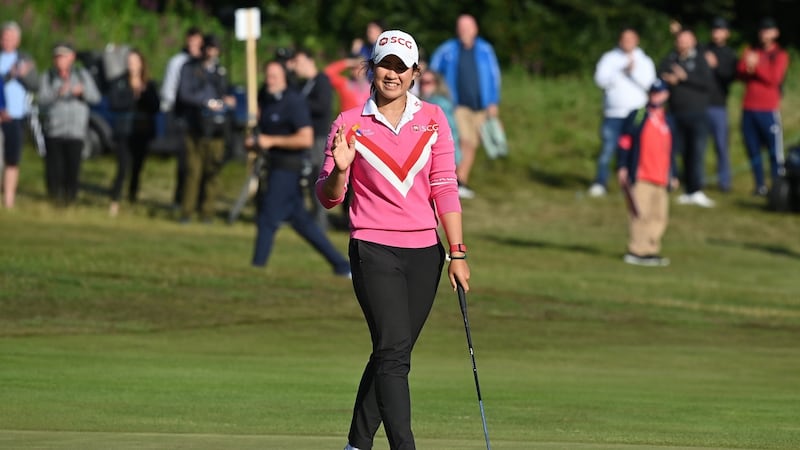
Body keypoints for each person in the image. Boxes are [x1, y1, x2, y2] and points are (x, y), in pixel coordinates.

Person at [316, 29, 470, 450]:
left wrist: (457, 252)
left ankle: (357, 444)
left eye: (402, 68)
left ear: (415, 73)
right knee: (393, 353)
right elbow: (329, 198)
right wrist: (341, 171)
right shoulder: (349, 123)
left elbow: (445, 187)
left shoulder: (434, 119)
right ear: (372, 67)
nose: (392, 74)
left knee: (392, 352)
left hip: (425, 253)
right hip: (372, 248)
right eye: (385, 64)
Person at [249, 60, 350, 275]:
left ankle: (256, 268)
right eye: (268, 75)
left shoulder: (293, 101)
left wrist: (271, 141)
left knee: (267, 217)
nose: (270, 80)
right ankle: (341, 265)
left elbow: (305, 138)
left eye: (275, 76)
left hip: (289, 168)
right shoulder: (266, 99)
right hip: (272, 166)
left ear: (285, 78)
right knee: (302, 221)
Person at [429, 14, 502, 199]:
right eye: (461, 28)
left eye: (467, 27)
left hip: (481, 106)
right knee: (463, 142)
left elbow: (495, 77)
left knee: (473, 145)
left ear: (475, 29)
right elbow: (433, 71)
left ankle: (461, 180)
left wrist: (494, 101)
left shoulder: (485, 50)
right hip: (457, 105)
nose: (464, 31)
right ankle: (454, 181)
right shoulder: (447, 50)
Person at [589, 27, 656, 198]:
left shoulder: (644, 61)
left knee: (634, 149)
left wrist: (633, 72)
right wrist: (620, 71)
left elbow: (651, 85)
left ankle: (632, 183)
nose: (627, 42)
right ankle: (600, 182)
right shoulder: (609, 59)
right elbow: (600, 80)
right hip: (613, 113)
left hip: (637, 112)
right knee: (608, 147)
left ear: (637, 40)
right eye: (624, 39)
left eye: (631, 39)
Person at [175, 34, 235, 223]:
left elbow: (224, 93)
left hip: (216, 127)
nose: (212, 53)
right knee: (193, 171)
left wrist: (226, 101)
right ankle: (187, 211)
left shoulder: (220, 72)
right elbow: (184, 94)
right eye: (209, 48)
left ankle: (207, 212)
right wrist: (204, 102)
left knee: (213, 170)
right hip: (195, 125)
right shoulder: (190, 68)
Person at [617, 78, 673, 267]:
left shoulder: (668, 119)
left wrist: (673, 174)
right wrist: (623, 166)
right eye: (653, 92)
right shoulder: (638, 115)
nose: (656, 96)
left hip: (661, 175)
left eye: (659, 93)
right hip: (642, 174)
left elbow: (671, 150)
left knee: (659, 216)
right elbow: (625, 141)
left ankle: (651, 249)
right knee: (640, 213)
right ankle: (637, 249)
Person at [37, 42, 101, 206]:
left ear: (72, 57)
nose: (60, 60)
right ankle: (53, 199)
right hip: (54, 130)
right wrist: (57, 93)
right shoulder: (48, 76)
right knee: (54, 168)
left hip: (76, 131)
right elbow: (41, 101)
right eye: (57, 56)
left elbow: (96, 98)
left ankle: (70, 200)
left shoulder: (82, 75)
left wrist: (82, 92)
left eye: (64, 56)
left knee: (73, 168)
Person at [660, 29, 715, 208]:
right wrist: (668, 78)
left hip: (697, 113)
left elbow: (707, 83)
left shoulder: (700, 59)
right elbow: (660, 75)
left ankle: (696, 190)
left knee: (696, 153)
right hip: (675, 113)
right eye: (680, 40)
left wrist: (685, 78)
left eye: (686, 40)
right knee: (678, 152)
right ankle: (683, 188)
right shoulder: (670, 59)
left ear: (693, 42)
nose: (682, 43)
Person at [737, 17, 789, 196]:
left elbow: (774, 78)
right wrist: (749, 66)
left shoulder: (779, 55)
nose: (764, 33)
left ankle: (778, 187)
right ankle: (759, 185)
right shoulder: (751, 51)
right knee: (752, 149)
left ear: (775, 33)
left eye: (768, 30)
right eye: (762, 30)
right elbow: (742, 72)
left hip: (768, 110)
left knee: (774, 151)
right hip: (749, 108)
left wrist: (756, 66)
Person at [106, 48, 160, 216]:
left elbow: (155, 107)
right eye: (129, 62)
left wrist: (144, 94)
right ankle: (115, 200)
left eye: (135, 62)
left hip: (141, 131)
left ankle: (132, 197)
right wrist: (132, 95)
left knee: (137, 167)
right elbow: (114, 103)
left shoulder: (149, 84)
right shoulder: (120, 82)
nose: (132, 66)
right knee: (123, 167)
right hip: (124, 131)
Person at [288, 48, 334, 230]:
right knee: (309, 178)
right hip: (308, 137)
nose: (297, 67)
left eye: (298, 63)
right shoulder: (303, 84)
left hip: (319, 137)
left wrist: (299, 105)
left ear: (309, 61)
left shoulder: (321, 81)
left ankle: (321, 221)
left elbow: (323, 106)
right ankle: (313, 218)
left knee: (318, 176)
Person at [160, 26, 203, 209]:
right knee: (185, 162)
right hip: (182, 117)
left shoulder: (205, 63)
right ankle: (180, 199)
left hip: (201, 118)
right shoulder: (178, 62)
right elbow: (169, 91)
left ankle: (198, 201)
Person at [0, 21, 38, 209]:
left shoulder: (24, 59)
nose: (7, 40)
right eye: (5, 37)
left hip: (16, 116)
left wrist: (22, 74)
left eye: (11, 37)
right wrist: (11, 74)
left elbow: (35, 85)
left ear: (18, 40)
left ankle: (9, 201)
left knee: (12, 159)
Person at [703, 17, 738, 193]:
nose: (717, 33)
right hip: (701, 104)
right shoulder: (703, 49)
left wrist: (715, 66)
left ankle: (724, 182)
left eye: (721, 29)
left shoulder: (730, 54)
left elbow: (730, 78)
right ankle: (697, 180)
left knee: (721, 145)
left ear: (727, 33)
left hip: (718, 105)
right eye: (715, 29)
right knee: (699, 145)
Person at [419, 69, 461, 167]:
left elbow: (450, 131)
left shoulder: (441, 105)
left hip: (443, 155)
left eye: (428, 82)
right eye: (422, 82)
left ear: (437, 84)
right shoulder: (421, 102)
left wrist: (453, 156)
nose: (424, 86)